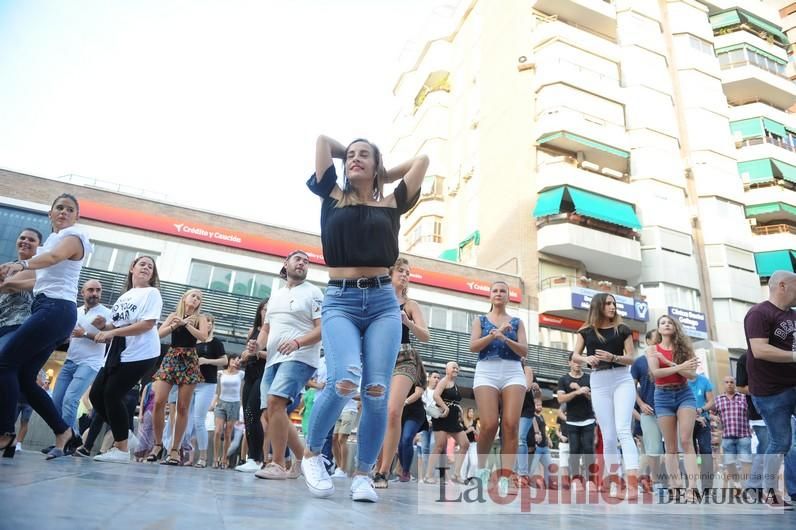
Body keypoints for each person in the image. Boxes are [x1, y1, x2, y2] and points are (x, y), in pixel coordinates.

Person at [301, 135, 427, 503]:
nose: (355, 158)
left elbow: (422, 159)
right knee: (344, 379)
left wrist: (383, 173)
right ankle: (312, 454)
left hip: (384, 303)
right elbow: (322, 141)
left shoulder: (390, 203)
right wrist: (351, 154)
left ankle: (364, 475)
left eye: (364, 156)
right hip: (340, 299)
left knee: (376, 391)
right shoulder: (333, 196)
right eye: (351, 155)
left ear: (376, 167)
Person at [0, 194, 91, 459]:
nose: (63, 212)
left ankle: (5, 433)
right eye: (59, 208)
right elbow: (33, 276)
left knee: (5, 363)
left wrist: (19, 263)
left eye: (69, 209)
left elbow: (51, 259)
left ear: (76, 216)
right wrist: (9, 278)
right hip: (46, 309)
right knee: (25, 378)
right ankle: (63, 431)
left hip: (57, 309)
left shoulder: (75, 237)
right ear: (50, 214)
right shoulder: (51, 242)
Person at [249, 250, 323, 480]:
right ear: (286, 264)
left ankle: (278, 463)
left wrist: (297, 342)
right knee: (272, 412)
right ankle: (304, 461)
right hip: (273, 360)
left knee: (275, 403)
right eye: (298, 259)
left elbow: (323, 328)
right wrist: (256, 346)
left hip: (300, 357)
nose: (302, 263)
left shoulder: (314, 292)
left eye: (306, 261)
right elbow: (266, 329)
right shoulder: (275, 295)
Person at [87, 256, 163, 463]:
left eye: (150, 266)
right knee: (96, 395)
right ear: (132, 268)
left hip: (142, 352)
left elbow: (147, 325)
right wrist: (104, 326)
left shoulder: (151, 293)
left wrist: (111, 334)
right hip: (119, 352)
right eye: (142, 264)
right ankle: (125, 435)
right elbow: (115, 325)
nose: (146, 268)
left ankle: (121, 449)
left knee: (112, 394)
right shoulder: (125, 296)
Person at [571, 292, 639, 497]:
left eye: (614, 303)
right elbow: (574, 355)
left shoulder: (623, 329)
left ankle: (633, 484)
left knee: (623, 430)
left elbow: (631, 358)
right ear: (598, 306)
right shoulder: (585, 331)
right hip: (599, 381)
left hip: (622, 379)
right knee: (608, 437)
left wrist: (614, 357)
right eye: (608, 303)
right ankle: (616, 483)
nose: (612, 307)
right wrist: (586, 359)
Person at [373, 257, 430, 488]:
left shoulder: (410, 305)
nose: (405, 275)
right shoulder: (378, 299)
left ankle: (384, 471)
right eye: (400, 271)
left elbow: (425, 336)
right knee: (378, 414)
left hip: (405, 358)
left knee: (394, 411)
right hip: (379, 358)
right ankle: (374, 464)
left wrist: (408, 323)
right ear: (390, 273)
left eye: (408, 272)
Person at [743, 269, 796, 508]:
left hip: (792, 384)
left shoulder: (793, 316)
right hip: (770, 391)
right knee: (780, 442)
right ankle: (769, 492)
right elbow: (760, 350)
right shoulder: (758, 313)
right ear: (782, 285)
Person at [470, 280, 528, 490]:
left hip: (513, 371)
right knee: (489, 424)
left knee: (511, 424)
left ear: (508, 296)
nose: (498, 293)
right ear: (490, 295)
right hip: (486, 370)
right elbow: (473, 346)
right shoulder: (480, 320)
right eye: (495, 290)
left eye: (503, 291)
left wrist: (504, 337)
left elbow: (524, 351)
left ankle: (506, 476)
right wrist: (492, 334)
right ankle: (482, 469)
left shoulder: (518, 322)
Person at [150, 289, 209, 465]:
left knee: (183, 407)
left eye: (199, 298)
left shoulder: (201, 319)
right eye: (193, 296)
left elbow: (204, 337)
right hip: (172, 356)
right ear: (184, 298)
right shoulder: (173, 315)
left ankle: (175, 449)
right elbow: (158, 334)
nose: (196, 299)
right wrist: (176, 324)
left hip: (190, 358)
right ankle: (158, 444)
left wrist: (187, 324)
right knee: (159, 401)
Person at [647, 315, 699, 496]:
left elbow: (692, 375)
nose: (666, 325)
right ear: (658, 329)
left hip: (684, 394)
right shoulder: (652, 349)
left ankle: (692, 488)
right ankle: (676, 486)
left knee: (686, 441)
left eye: (669, 322)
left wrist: (670, 362)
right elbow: (656, 373)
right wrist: (679, 367)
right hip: (662, 396)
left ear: (675, 327)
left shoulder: (684, 349)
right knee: (670, 446)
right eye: (662, 323)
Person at [52, 280, 112, 433]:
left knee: (70, 400)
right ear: (82, 292)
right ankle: (69, 437)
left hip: (90, 363)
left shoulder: (106, 313)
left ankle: (69, 440)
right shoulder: (75, 311)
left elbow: (109, 339)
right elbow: (69, 335)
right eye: (91, 290)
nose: (95, 293)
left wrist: (84, 334)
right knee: (56, 401)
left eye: (98, 290)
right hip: (70, 360)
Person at [235, 299, 268, 473]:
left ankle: (257, 458)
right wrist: (244, 356)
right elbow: (246, 352)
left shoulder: (275, 331)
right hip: (250, 372)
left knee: (252, 412)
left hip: (264, 373)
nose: (266, 312)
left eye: (269, 310)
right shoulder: (253, 330)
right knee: (248, 416)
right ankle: (252, 457)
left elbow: (274, 355)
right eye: (264, 309)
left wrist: (257, 352)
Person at [191, 315, 227, 468]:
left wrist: (207, 361)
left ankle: (203, 456)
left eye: (210, 322)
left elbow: (224, 361)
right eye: (205, 322)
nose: (208, 325)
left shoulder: (215, 342)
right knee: (185, 419)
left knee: (199, 420)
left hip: (207, 383)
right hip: (190, 382)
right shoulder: (193, 341)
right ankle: (180, 453)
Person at [631, 330, 664, 492]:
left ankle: (672, 482)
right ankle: (654, 480)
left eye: (661, 340)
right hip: (649, 411)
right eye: (656, 340)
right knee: (652, 450)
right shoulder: (639, 363)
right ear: (647, 341)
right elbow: (631, 387)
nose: (659, 343)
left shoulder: (668, 358)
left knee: (670, 449)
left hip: (669, 409)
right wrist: (641, 404)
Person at [556, 353, 595, 488]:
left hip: (588, 419)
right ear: (569, 363)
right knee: (574, 451)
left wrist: (582, 390)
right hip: (572, 420)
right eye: (574, 361)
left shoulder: (589, 378)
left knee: (589, 450)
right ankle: (576, 480)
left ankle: (591, 481)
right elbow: (560, 399)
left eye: (579, 361)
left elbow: (594, 399)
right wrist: (576, 392)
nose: (577, 363)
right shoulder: (563, 379)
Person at [429, 361, 469, 484]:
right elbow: (436, 395)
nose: (456, 370)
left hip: (453, 420)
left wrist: (459, 408)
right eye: (453, 368)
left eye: (457, 368)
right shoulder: (444, 381)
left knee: (465, 444)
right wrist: (445, 407)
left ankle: (456, 474)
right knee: (439, 446)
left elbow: (453, 401)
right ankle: (428, 475)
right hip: (442, 418)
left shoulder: (454, 384)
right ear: (447, 370)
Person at [735, 351, 767, 491]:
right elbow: (741, 387)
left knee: (789, 449)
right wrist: (766, 390)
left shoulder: (779, 353)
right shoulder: (744, 358)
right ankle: (755, 486)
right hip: (758, 414)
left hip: (784, 409)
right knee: (765, 448)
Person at [713, 376, 752, 489]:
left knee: (746, 461)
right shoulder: (718, 399)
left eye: (731, 382)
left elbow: (751, 412)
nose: (729, 384)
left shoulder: (744, 398)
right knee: (729, 463)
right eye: (727, 382)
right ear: (723, 384)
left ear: (735, 384)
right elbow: (712, 414)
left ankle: (747, 486)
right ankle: (737, 483)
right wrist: (715, 420)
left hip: (743, 434)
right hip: (727, 436)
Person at [213, 354, 243, 469]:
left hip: (234, 404)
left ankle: (224, 458)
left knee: (228, 433)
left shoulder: (241, 374)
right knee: (217, 431)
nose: (236, 361)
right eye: (234, 359)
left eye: (238, 360)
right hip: (221, 403)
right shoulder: (221, 373)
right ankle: (215, 458)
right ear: (229, 360)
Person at [687, 367, 715, 490]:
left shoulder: (704, 380)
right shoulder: (681, 382)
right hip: (686, 422)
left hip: (703, 421)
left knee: (706, 452)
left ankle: (707, 487)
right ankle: (691, 486)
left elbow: (711, 402)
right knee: (689, 454)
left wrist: (701, 409)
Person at [516, 366, 541, 483]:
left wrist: (536, 389)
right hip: (512, 408)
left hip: (527, 409)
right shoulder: (509, 367)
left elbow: (538, 395)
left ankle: (522, 473)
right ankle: (513, 471)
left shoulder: (528, 371)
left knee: (521, 438)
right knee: (511, 440)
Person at [419, 371, 440, 481]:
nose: (437, 379)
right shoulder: (424, 391)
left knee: (433, 447)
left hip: (436, 424)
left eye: (438, 378)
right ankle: (427, 475)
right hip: (424, 424)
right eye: (435, 377)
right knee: (425, 449)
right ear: (429, 378)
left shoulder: (440, 392)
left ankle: (431, 474)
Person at [529, 399, 552, 488]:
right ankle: (527, 482)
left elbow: (544, 430)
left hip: (545, 447)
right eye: (537, 405)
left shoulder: (541, 416)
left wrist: (549, 439)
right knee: (532, 468)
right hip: (537, 447)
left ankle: (546, 483)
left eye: (540, 405)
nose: (540, 406)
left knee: (549, 466)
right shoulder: (532, 417)